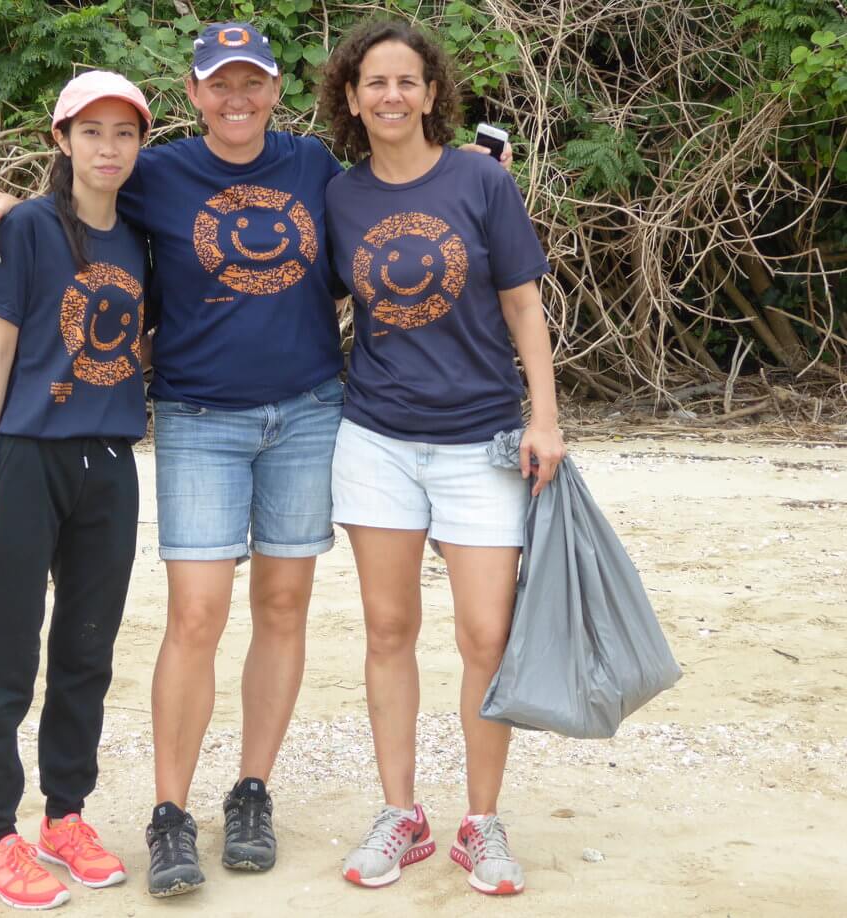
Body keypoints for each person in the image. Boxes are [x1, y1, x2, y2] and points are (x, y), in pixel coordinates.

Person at [0, 22, 512, 898]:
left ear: (277, 91)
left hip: (307, 412)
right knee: (196, 615)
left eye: (252, 82)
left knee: (284, 606)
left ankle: (251, 790)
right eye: (220, 84)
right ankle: (171, 813)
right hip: (198, 417)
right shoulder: (158, 173)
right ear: (193, 94)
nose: (237, 99)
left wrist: (479, 192)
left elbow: (392, 223)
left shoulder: (313, 172)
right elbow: (79, 197)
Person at [318, 19, 565, 896]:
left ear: (432, 93)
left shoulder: (479, 181)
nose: (391, 96)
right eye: (373, 82)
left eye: (406, 82)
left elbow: (524, 304)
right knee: (388, 631)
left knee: (485, 638)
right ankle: (401, 814)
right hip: (377, 438)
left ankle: (482, 822)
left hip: (482, 440)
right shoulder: (338, 196)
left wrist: (546, 416)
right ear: (350, 97)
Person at [0, 70, 152, 911]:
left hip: (109, 462)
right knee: (5, 651)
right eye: (92, 132)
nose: (108, 148)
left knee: (86, 652)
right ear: (61, 140)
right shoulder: (27, 228)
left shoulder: (144, 237)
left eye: (125, 133)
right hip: (29, 456)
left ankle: (64, 816)